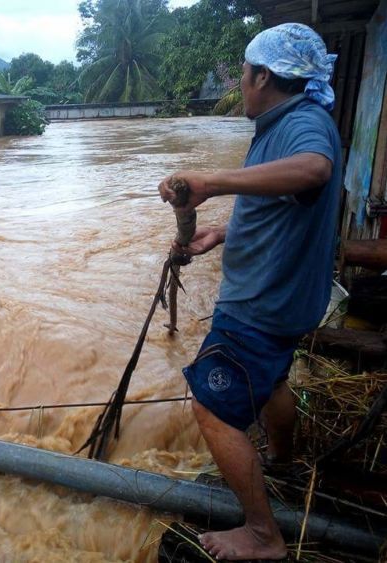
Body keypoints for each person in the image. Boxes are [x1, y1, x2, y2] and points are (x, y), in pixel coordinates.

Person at [159, 24, 341, 561]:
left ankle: (263, 534)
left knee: (212, 407)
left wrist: (211, 182)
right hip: (286, 299)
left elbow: (313, 171)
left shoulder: (304, 125)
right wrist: (220, 232)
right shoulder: (280, 123)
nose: (239, 82)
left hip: (260, 302)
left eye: (242, 72)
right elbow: (280, 203)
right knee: (273, 380)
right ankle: (281, 461)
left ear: (263, 75)